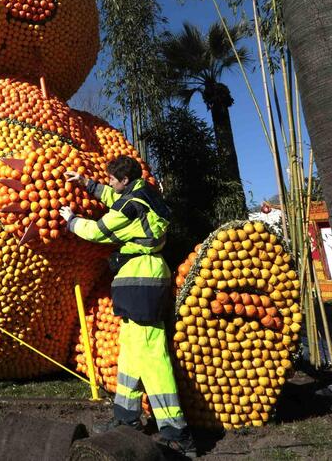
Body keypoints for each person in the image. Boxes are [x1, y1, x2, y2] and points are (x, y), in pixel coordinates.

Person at [60, 155, 196, 457]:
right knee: (132, 352)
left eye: (111, 179)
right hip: (136, 278)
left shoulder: (131, 203)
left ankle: (176, 433)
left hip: (142, 278)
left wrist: (71, 221)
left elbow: (98, 231)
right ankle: (126, 418)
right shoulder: (142, 193)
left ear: (125, 181)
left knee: (150, 354)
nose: (109, 183)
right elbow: (115, 198)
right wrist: (87, 184)